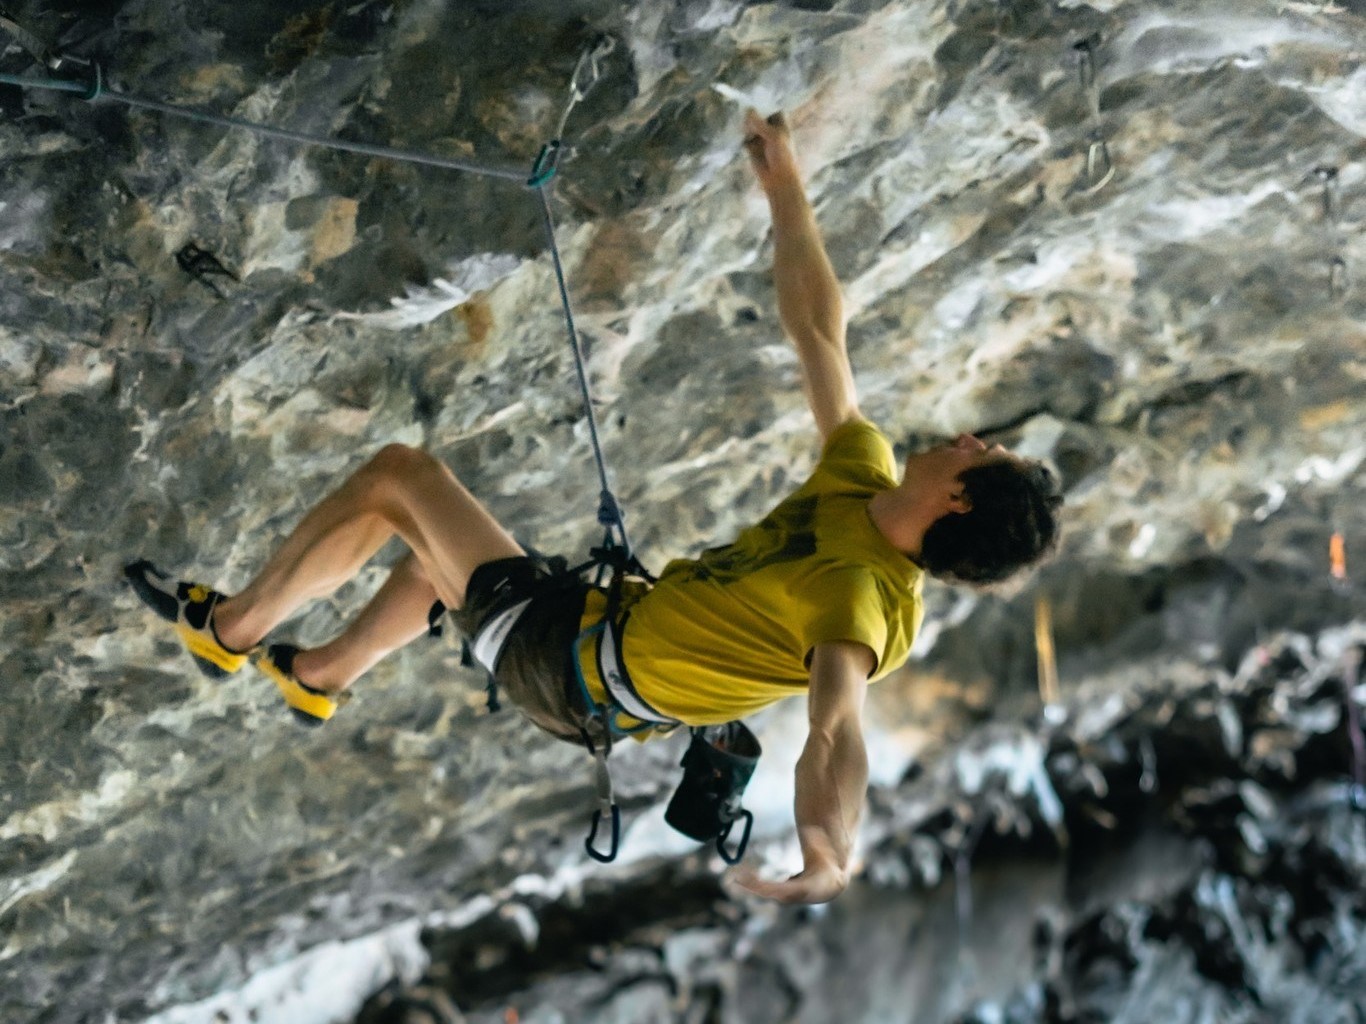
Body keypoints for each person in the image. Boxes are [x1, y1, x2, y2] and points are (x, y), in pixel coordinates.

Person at [127, 110, 1062, 905]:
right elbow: (821, 332)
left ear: (957, 496)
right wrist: (785, 191)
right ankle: (321, 675)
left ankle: (234, 630)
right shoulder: (865, 474)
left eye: (983, 451)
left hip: (570, 668)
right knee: (437, 561)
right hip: (595, 632)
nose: (969, 436)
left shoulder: (858, 602)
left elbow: (834, 730)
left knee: (401, 480)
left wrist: (828, 849)